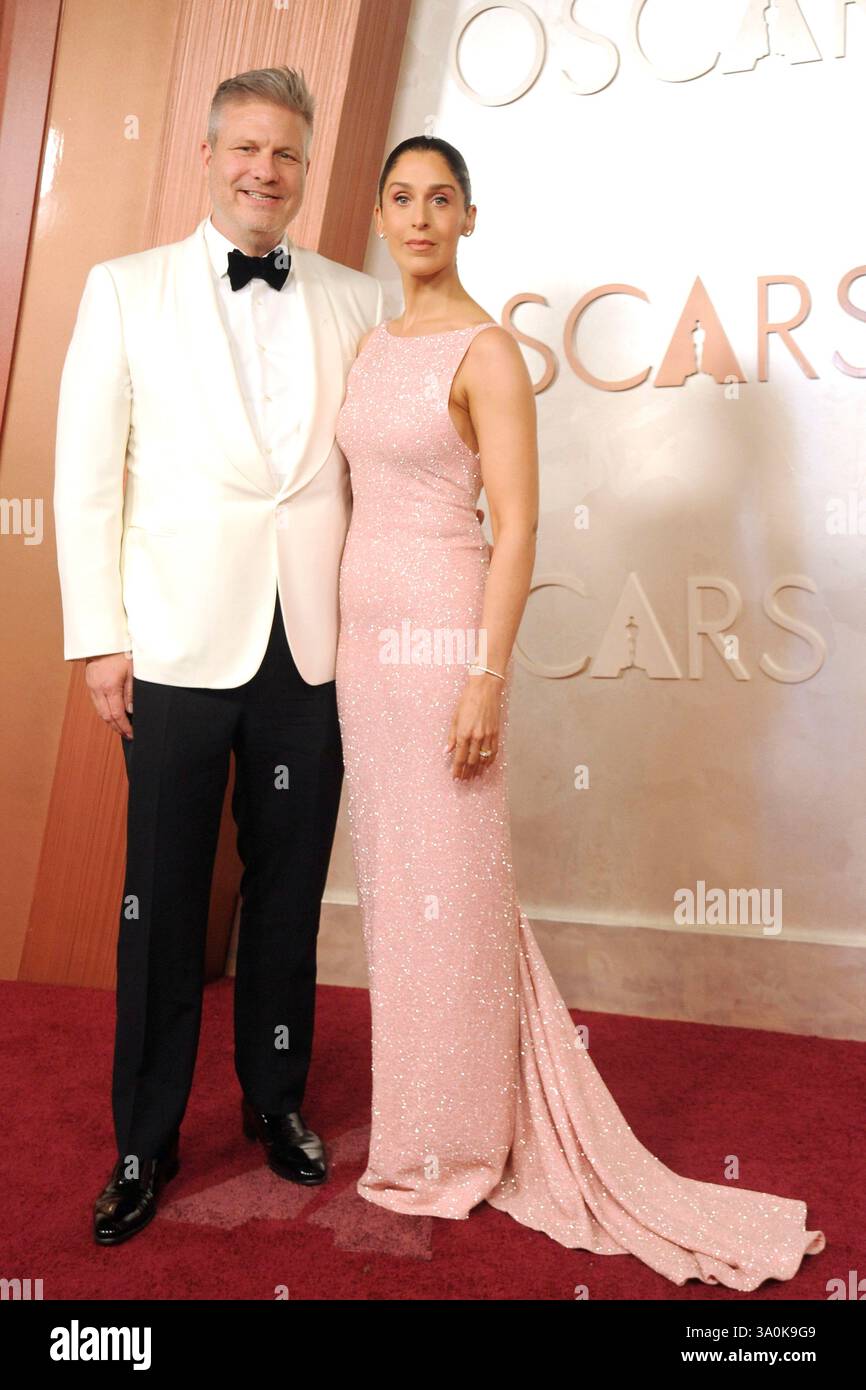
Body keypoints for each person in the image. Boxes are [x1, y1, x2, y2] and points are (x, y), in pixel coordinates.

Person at [332, 135, 826, 1289]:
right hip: (365, 651)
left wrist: (484, 674)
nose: (416, 217)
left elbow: (520, 524)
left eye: (438, 199)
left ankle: (460, 1139)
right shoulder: (364, 345)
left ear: (467, 217)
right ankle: (427, 1121)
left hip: (443, 642)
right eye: (399, 198)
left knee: (457, 891)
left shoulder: (487, 349)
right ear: (378, 214)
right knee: (404, 897)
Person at [53, 67, 383, 1245]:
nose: (264, 171)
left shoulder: (356, 296)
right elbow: (86, 474)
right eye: (245, 148)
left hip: (312, 645)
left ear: (304, 169)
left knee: (288, 895)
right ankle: (143, 1141)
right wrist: (99, 634)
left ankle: (276, 1102)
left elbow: (375, 467)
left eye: (285, 155)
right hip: (175, 646)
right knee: (163, 901)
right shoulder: (124, 288)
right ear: (207, 155)